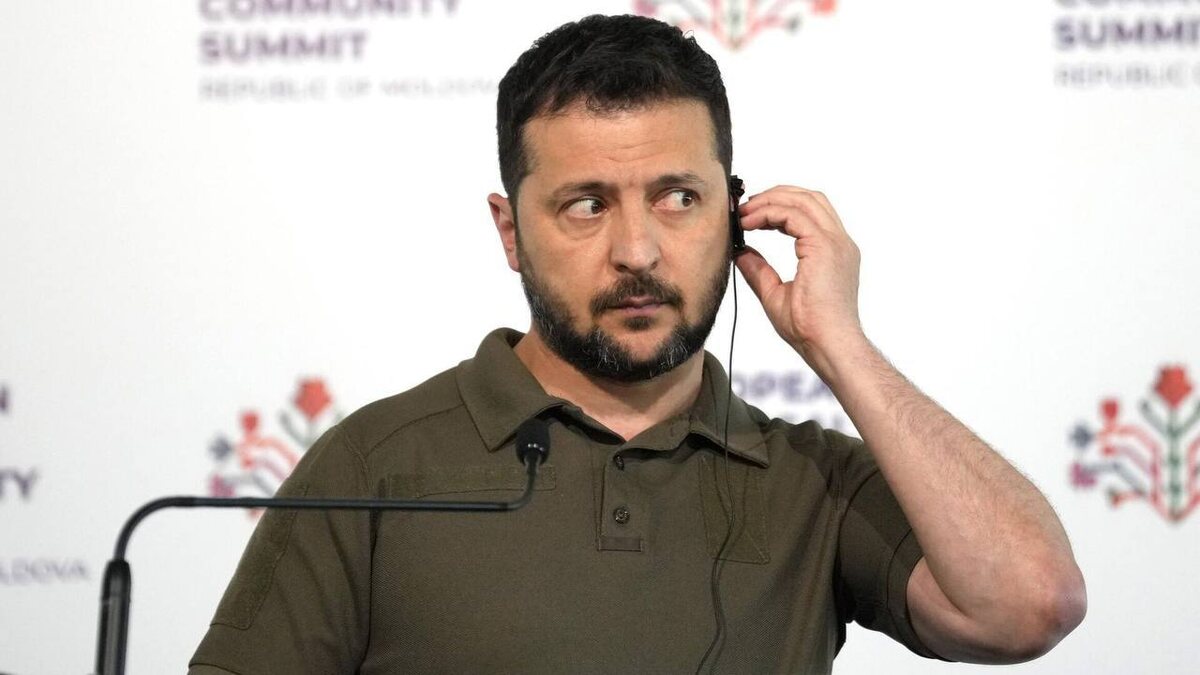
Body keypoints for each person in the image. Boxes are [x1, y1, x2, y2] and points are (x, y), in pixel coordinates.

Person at [189, 14, 1085, 674]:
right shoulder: (372, 464)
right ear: (509, 231)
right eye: (587, 205)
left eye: (678, 198)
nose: (638, 251)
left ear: (736, 212)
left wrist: (839, 343)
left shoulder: (812, 479)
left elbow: (1030, 604)